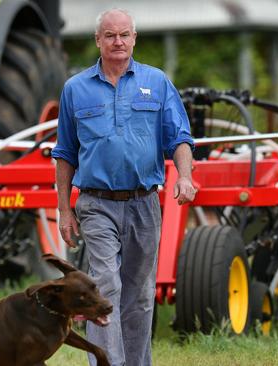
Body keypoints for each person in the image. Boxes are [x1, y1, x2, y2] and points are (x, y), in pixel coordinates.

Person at [52, 8, 196, 366]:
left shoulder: (157, 82)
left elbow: (178, 137)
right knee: (104, 286)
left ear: (134, 38)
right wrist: (64, 208)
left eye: (124, 35)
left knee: (141, 295)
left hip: (144, 203)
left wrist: (185, 175)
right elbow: (65, 153)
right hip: (96, 204)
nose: (118, 42)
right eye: (110, 36)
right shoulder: (76, 89)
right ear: (98, 40)